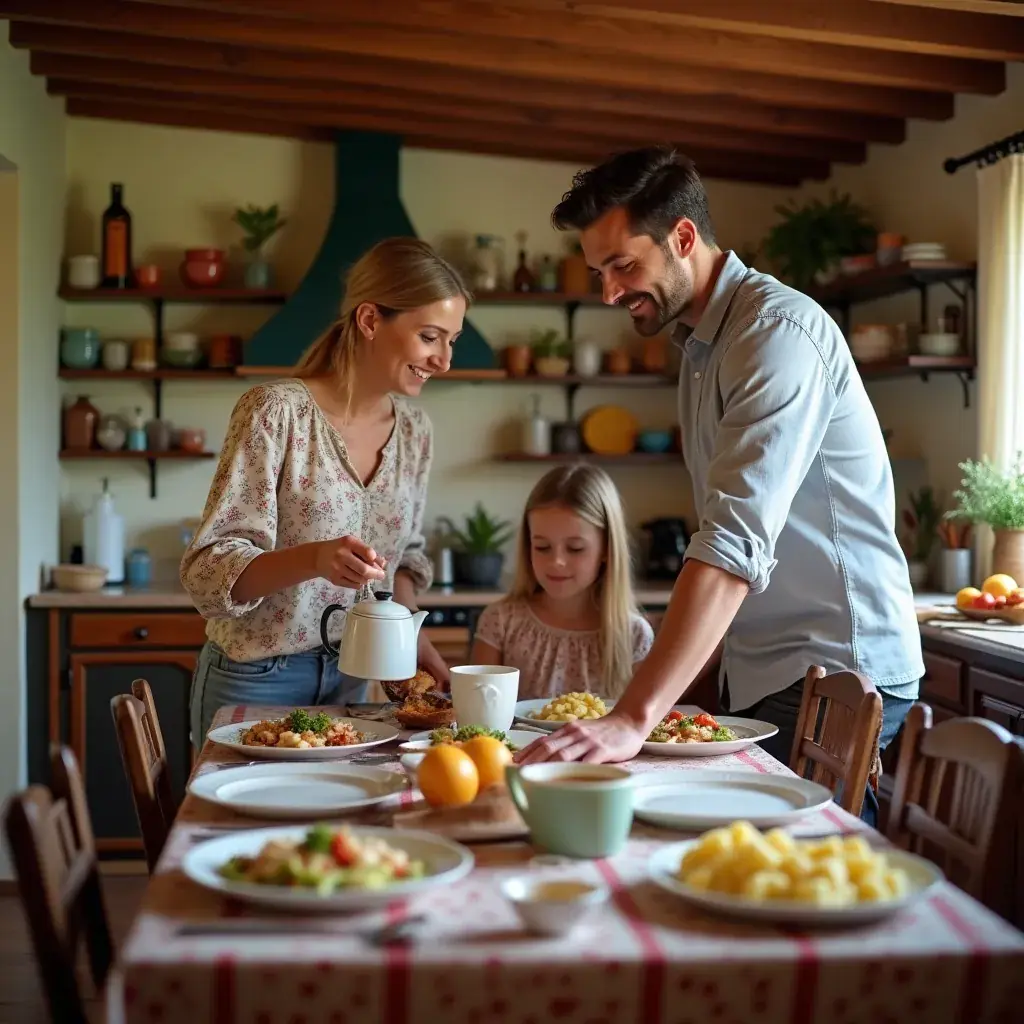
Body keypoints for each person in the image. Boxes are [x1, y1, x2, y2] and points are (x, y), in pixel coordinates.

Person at [519, 147, 923, 823]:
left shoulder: (773, 334)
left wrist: (633, 715)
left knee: (791, 872)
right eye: (598, 272)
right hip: (769, 665)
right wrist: (669, 696)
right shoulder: (703, 347)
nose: (609, 293)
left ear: (683, 238)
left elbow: (733, 542)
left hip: (834, 666)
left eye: (622, 265)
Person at [181, 237, 469, 747]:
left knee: (351, 823)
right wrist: (315, 558)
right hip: (258, 678)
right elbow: (210, 571)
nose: (444, 359)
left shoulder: (415, 431)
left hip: (356, 683)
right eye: (430, 336)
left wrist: (410, 636)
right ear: (370, 320)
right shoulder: (275, 411)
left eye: (453, 340)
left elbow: (404, 561)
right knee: (236, 828)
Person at [470, 464, 654, 699]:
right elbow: (478, 715)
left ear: (607, 549)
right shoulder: (501, 622)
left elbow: (642, 723)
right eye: (542, 547)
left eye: (575, 548)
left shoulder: (634, 635)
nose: (556, 561)